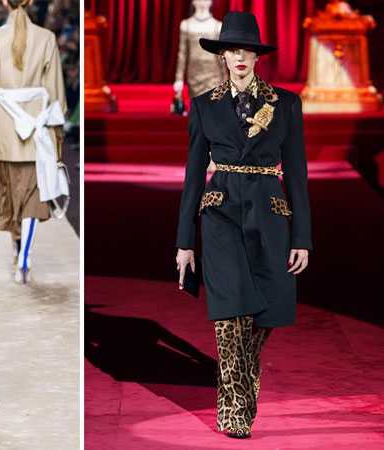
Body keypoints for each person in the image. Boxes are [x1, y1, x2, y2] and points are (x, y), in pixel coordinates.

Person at [175, 11, 311, 439]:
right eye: (232, 49)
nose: (239, 57)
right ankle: (234, 408)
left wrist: (303, 238)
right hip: (220, 213)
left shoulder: (285, 105)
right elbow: (193, 177)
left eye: (246, 50)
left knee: (263, 314)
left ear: (256, 57)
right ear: (222, 55)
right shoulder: (204, 106)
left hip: (270, 214)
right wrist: (185, 242)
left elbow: (298, 174)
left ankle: (243, 382)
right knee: (228, 312)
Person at [0, 0, 66, 284]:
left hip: (5, 130)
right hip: (37, 127)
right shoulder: (46, 38)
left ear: (4, 3)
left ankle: (19, 249)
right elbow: (55, 92)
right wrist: (57, 130)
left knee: (11, 196)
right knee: (31, 198)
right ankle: (24, 256)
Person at [173, 0, 225, 99]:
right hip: (193, 76)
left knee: (213, 104)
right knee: (197, 104)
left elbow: (221, 56)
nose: (202, 2)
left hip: (214, 76)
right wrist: (179, 79)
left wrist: (226, 78)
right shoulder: (185, 25)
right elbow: (182, 54)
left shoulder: (218, 26)